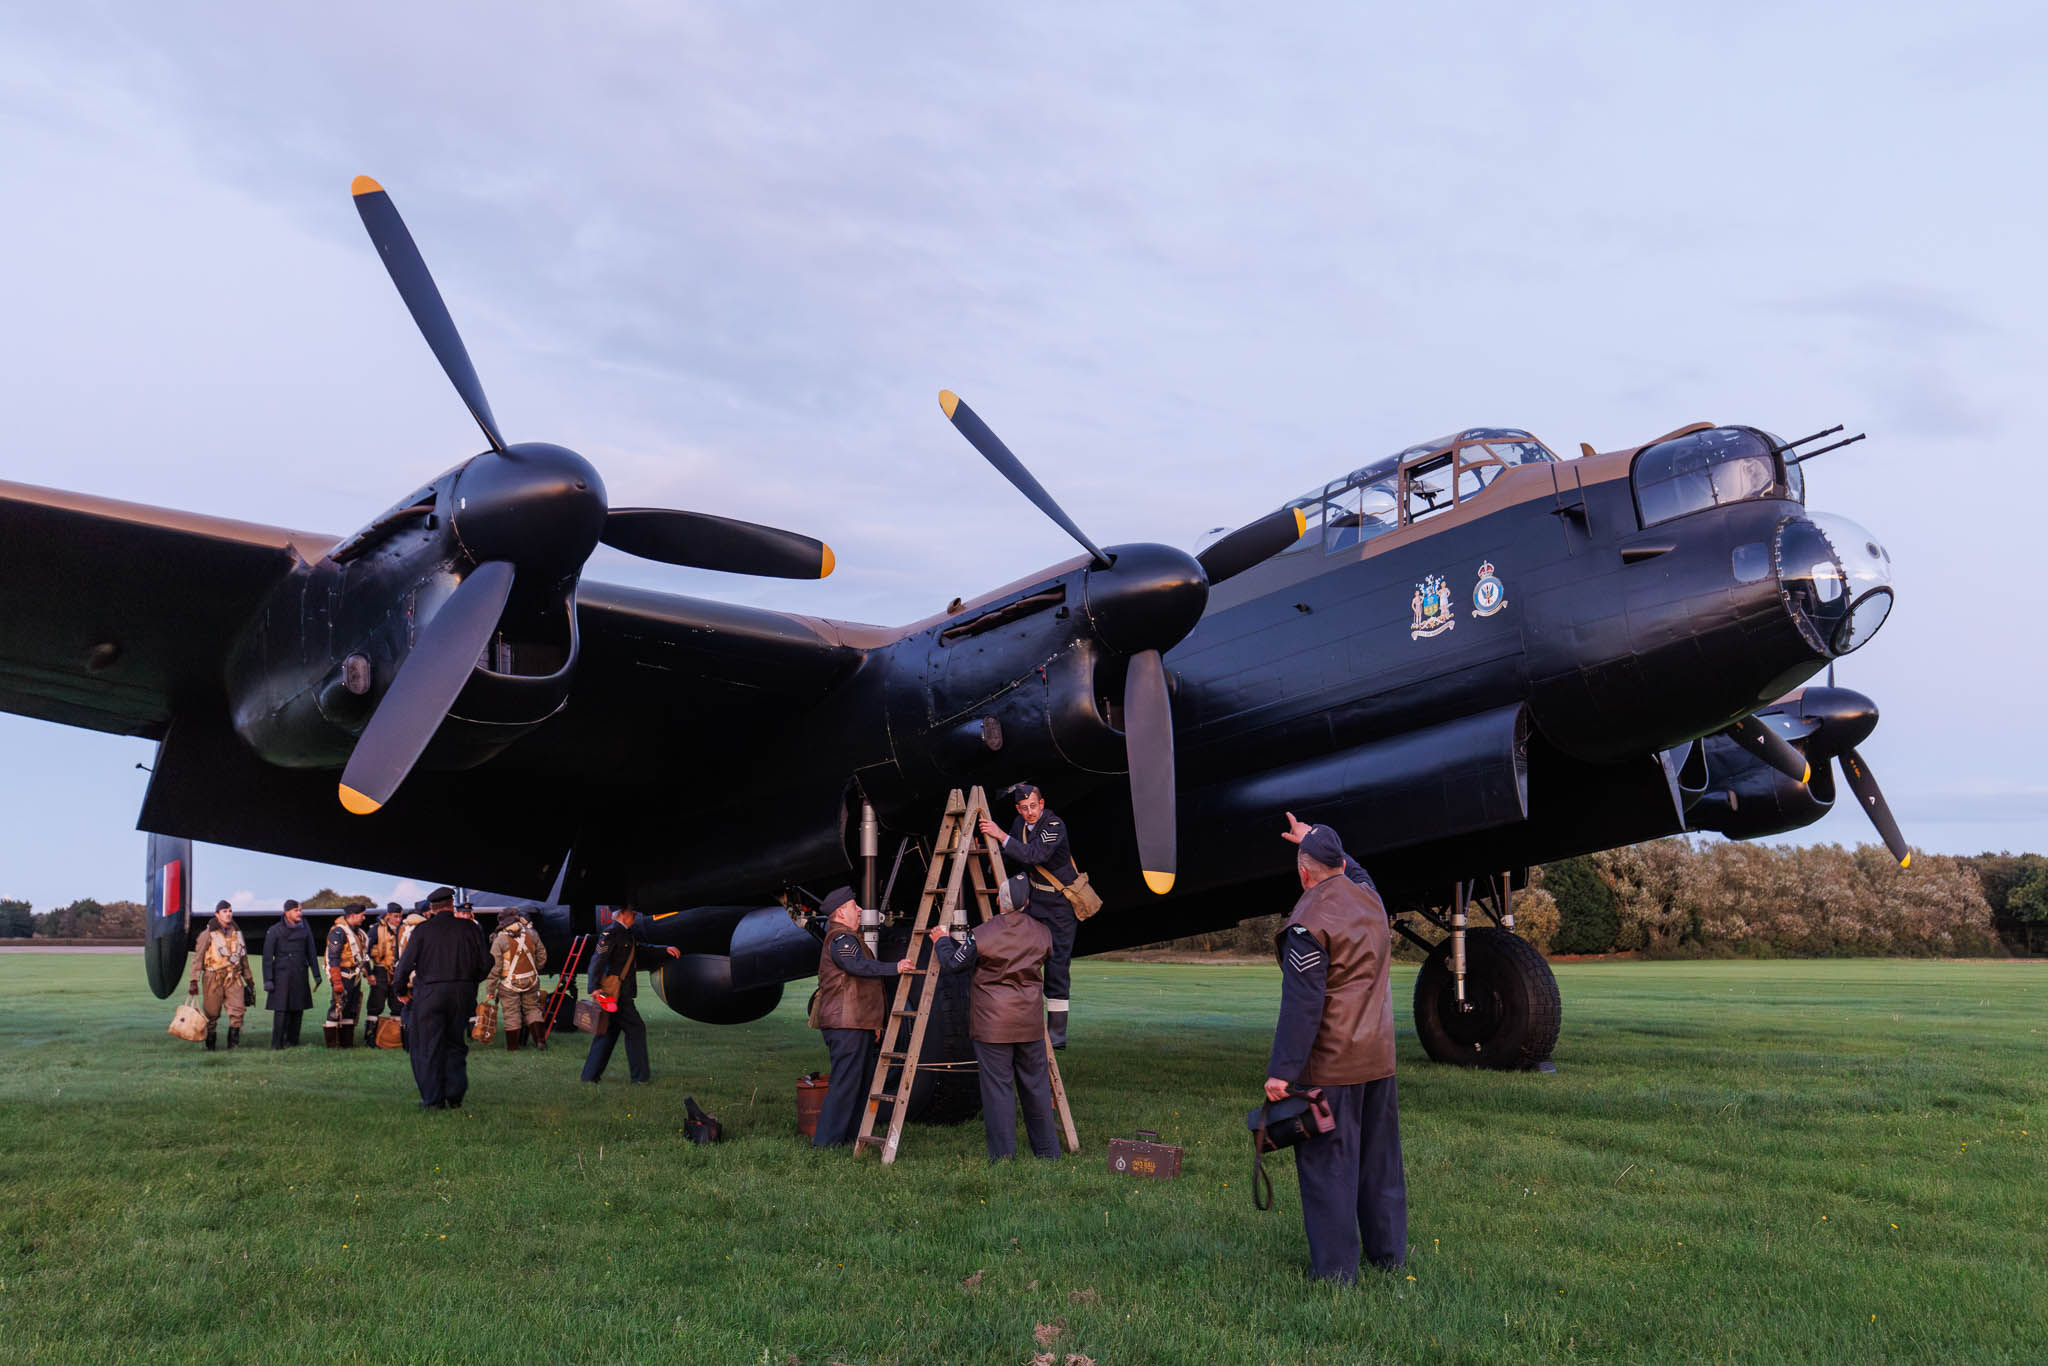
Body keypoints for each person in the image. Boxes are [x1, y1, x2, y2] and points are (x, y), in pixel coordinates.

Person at [1263, 824, 1407, 1281]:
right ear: (1342, 865)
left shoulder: (1308, 923)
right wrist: (1315, 834)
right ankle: (1388, 1258)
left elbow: (1303, 1006)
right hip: (1378, 1059)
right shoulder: (1372, 901)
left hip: (1333, 1064)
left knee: (1328, 1168)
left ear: (1304, 876)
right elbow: (1358, 871)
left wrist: (1282, 1071)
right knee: (1379, 1163)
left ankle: (1335, 1272)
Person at [927, 873, 1060, 1162]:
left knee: (998, 1089)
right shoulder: (1043, 933)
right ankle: (1048, 1152)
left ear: (999, 900)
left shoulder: (983, 933)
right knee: (1036, 1087)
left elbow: (953, 964)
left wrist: (942, 940)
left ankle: (1003, 1156)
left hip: (993, 1026)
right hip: (1030, 1024)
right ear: (1026, 902)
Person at [808, 887, 914, 1148]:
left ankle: (848, 1139)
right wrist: (895, 967)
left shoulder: (849, 937)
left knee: (859, 1083)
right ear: (840, 912)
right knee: (845, 1085)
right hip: (846, 1025)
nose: (859, 910)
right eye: (854, 907)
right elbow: (856, 966)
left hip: (858, 1023)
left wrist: (873, 1024)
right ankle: (825, 1143)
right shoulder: (840, 939)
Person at [977, 782, 1080, 1049]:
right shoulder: (1019, 825)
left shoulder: (1054, 826)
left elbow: (1035, 855)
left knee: (1057, 967)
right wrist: (988, 850)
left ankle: (1057, 1035)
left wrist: (1000, 835)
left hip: (1059, 906)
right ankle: (1024, 1020)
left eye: (1033, 806)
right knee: (1024, 957)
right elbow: (1010, 854)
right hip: (1034, 903)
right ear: (1018, 809)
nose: (1030, 812)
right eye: (1024, 808)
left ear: (1042, 804)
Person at [392, 887, 490, 1109]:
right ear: (451, 904)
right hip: (462, 993)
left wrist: (400, 991)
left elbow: (405, 965)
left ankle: (433, 1099)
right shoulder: (470, 928)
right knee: (455, 1043)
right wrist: (470, 981)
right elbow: (486, 963)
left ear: (432, 908)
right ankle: (454, 1095)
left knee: (428, 1046)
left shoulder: (423, 931)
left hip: (430, 994)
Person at [579, 906, 681, 1085]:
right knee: (636, 1029)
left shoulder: (627, 934)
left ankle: (589, 1076)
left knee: (607, 1033)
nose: (635, 916)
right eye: (632, 913)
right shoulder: (610, 934)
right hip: (616, 994)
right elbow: (597, 960)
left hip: (620, 993)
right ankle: (639, 1078)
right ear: (622, 914)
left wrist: (665, 949)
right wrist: (593, 987)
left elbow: (642, 949)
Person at [188, 900, 253, 1051]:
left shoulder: (237, 934)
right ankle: (210, 1046)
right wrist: (193, 981)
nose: (228, 914)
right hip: (213, 977)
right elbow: (198, 958)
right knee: (211, 1013)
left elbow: (244, 959)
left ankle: (233, 1046)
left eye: (230, 911)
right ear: (217, 915)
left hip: (234, 977)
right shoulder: (207, 934)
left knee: (237, 1010)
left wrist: (249, 980)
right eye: (224, 911)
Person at [486, 906, 551, 1052]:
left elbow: (495, 967)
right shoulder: (532, 934)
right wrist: (536, 969)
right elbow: (542, 955)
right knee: (533, 1009)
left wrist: (490, 989)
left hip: (509, 984)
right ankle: (540, 1041)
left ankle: (513, 1048)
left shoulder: (500, 940)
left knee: (511, 1013)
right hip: (532, 980)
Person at [261, 899, 321, 1050]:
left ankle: (293, 1042)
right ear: (287, 912)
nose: (300, 913)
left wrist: (316, 975)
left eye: (300, 910)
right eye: (296, 910)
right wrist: (268, 979)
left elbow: (311, 953)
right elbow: (267, 957)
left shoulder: (305, 929)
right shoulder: (274, 930)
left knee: (298, 1008)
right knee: (281, 1010)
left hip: (300, 973)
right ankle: (277, 1044)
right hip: (281, 975)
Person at [1281, 812, 1380, 898]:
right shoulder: (1369, 897)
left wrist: (1310, 838)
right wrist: (1311, 838)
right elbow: (1357, 873)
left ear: (1305, 874)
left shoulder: (1305, 918)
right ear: (1343, 865)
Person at [325, 904, 371, 1039]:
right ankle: (332, 1044)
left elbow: (363, 955)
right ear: (352, 915)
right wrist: (337, 981)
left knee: (351, 1008)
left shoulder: (358, 932)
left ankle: (346, 1043)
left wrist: (368, 973)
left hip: (354, 975)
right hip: (342, 974)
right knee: (337, 1007)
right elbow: (333, 958)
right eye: (362, 915)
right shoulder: (338, 932)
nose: (364, 917)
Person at [363, 904, 404, 1045]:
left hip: (398, 972)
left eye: (400, 916)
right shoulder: (375, 930)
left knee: (398, 1004)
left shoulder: (403, 930)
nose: (398, 919)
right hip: (380, 971)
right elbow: (365, 953)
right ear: (388, 915)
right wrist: (369, 973)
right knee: (375, 1004)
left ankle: (395, 1037)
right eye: (395, 916)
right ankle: (370, 1038)